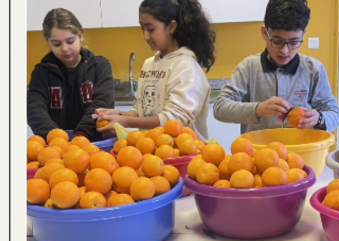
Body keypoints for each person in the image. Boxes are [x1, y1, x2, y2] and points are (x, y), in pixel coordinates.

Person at [213, 0, 339, 134]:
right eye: (277, 41)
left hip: (301, 152)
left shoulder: (313, 69)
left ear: (303, 34)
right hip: (260, 153)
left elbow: (334, 114)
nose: (284, 51)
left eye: (294, 42)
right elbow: (220, 108)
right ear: (264, 33)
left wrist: (319, 118)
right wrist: (258, 109)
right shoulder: (248, 68)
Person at [95, 0, 215, 141]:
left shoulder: (186, 66)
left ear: (171, 27)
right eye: (142, 29)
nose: (145, 37)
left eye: (151, 29)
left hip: (184, 156)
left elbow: (173, 120)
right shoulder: (149, 64)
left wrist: (125, 122)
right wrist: (118, 115)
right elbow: (140, 111)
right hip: (153, 154)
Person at [27, 8, 115, 140]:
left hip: (98, 144)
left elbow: (102, 104)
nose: (64, 49)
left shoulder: (100, 66)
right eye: (56, 44)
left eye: (70, 41)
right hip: (56, 146)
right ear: (48, 42)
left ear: (80, 36)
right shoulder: (41, 73)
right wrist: (57, 138)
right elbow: (35, 109)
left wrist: (81, 135)